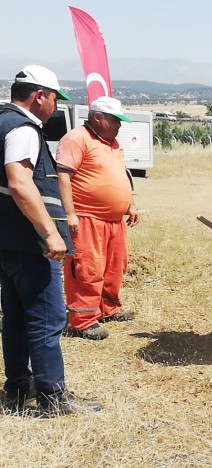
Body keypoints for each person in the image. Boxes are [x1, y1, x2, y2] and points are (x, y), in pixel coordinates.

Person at [0, 65, 100, 415]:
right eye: (55, 98)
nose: (56, 107)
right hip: (29, 243)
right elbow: (19, 182)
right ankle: (51, 397)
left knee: (14, 318)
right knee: (47, 317)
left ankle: (16, 389)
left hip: (8, 241)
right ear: (38, 95)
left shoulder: (2, 121)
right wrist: (49, 233)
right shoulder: (23, 128)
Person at [57, 96, 139, 340]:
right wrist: (69, 214)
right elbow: (64, 178)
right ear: (97, 117)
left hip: (113, 222)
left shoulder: (112, 143)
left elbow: (121, 176)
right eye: (114, 120)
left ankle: (108, 308)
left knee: (115, 267)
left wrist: (130, 204)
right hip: (87, 218)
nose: (119, 125)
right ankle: (82, 320)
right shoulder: (76, 139)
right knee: (86, 268)